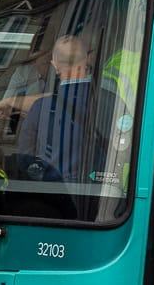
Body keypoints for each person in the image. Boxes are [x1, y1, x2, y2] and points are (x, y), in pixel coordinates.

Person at [14, 34, 115, 181]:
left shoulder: (40, 109)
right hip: (98, 195)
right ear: (87, 60)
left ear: (54, 66)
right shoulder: (112, 102)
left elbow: (25, 160)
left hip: (50, 197)